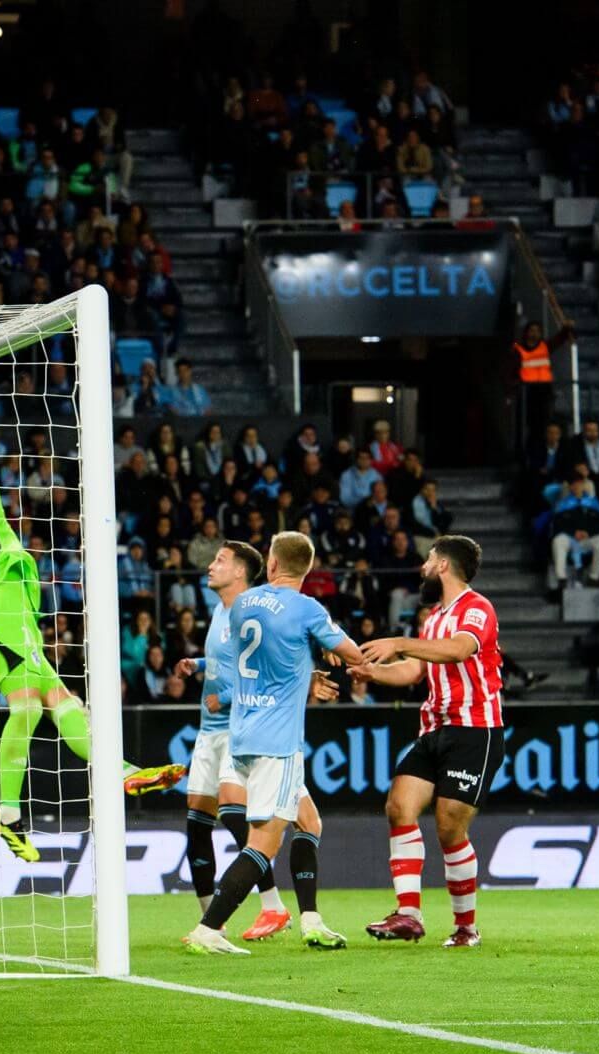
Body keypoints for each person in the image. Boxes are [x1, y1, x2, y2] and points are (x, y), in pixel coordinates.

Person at [0, 373, 185, 860]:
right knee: (29, 709)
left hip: (23, 635)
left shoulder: (25, 571)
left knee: (68, 706)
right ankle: (7, 813)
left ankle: (123, 773)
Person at [183, 531, 366, 954]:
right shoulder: (307, 609)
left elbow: (264, 659)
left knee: (309, 822)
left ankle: (312, 920)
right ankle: (211, 928)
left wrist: (309, 667)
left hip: (240, 733)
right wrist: (329, 652)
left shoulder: (243, 604)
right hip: (277, 743)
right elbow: (354, 655)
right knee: (263, 844)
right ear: (307, 569)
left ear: (272, 564)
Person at [351, 535, 503, 948]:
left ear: (442, 566)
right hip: (434, 728)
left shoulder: (477, 608)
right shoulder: (433, 618)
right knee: (399, 806)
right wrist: (371, 674)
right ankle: (408, 915)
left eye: (428, 560)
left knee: (450, 825)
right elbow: (413, 673)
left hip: (475, 730)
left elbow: (458, 651)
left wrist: (398, 643)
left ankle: (466, 928)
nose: (422, 567)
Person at [515, 319, 575, 447]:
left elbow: (559, 340)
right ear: (526, 333)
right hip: (527, 391)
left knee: (543, 425)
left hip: (544, 391)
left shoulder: (545, 347)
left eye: (537, 331)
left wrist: (566, 328)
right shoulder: (518, 349)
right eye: (532, 331)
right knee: (525, 425)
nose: (534, 334)